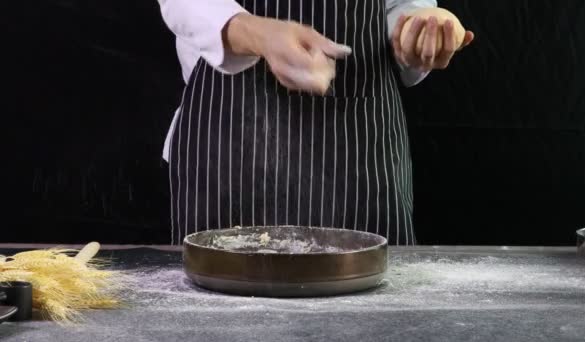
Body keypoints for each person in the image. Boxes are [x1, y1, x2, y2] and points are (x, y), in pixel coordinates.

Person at [157, 0, 474, 245]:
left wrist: (416, 30)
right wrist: (257, 34)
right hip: (228, 143)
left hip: (359, 151)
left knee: (373, 320)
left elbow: (400, 7)